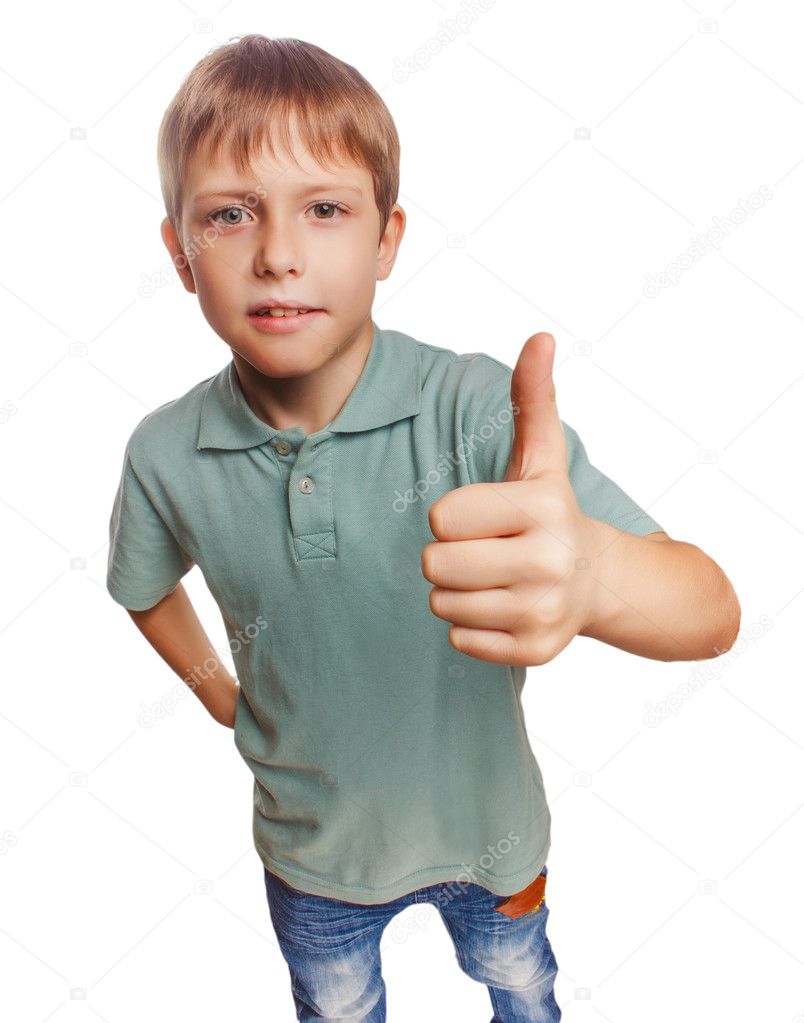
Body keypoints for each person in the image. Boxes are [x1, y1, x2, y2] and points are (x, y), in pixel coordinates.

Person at [106, 33, 741, 1023]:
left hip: (491, 836)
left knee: (521, 985)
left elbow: (710, 611)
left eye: (325, 208)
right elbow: (145, 588)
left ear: (388, 239)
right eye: (231, 214)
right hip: (313, 851)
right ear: (180, 254)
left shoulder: (477, 410)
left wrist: (600, 579)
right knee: (339, 1008)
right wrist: (218, 697)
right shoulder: (162, 454)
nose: (278, 252)